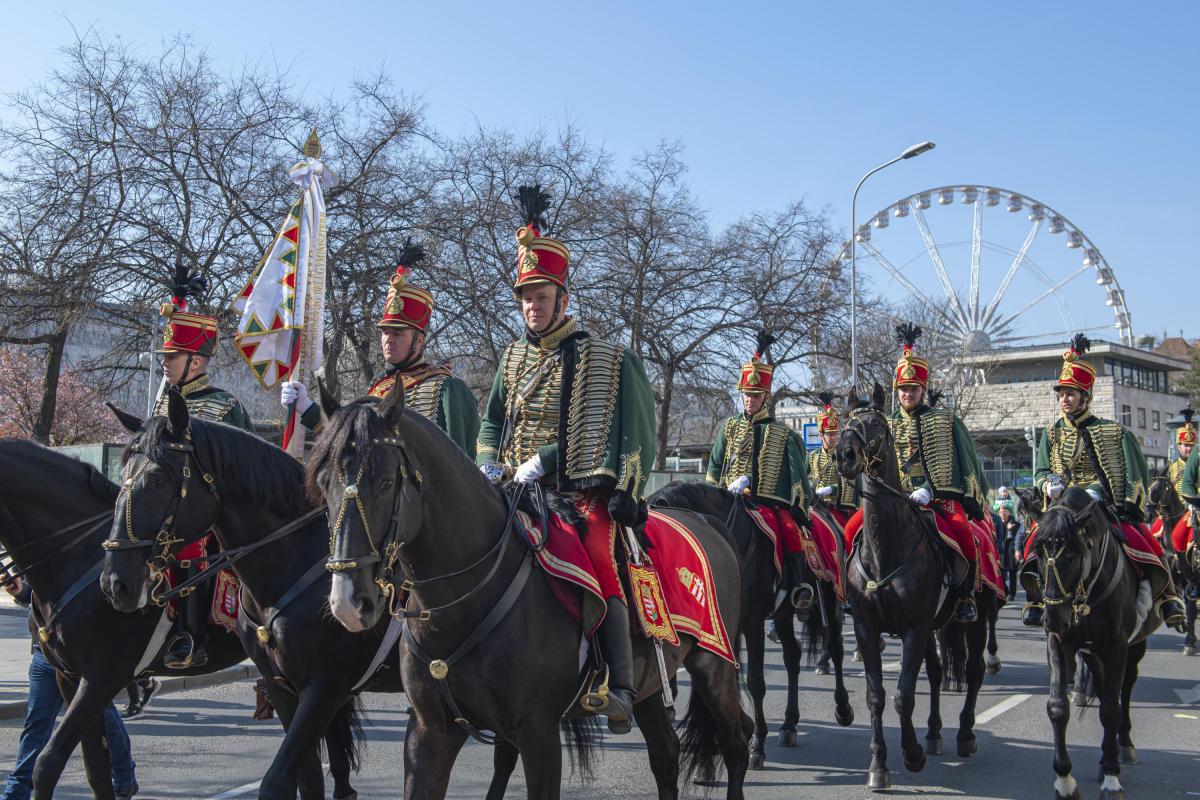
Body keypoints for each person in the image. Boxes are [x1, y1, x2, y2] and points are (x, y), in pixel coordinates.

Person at [476, 185, 657, 735]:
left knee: (600, 561)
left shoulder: (600, 355)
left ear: (562, 296)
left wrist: (543, 460)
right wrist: (488, 460)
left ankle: (619, 685)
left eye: (542, 294)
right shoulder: (510, 357)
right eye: (526, 295)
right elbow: (491, 420)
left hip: (573, 490)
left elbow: (621, 428)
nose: (533, 304)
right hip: (511, 487)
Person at [1023, 333, 1187, 629]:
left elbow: (1134, 472)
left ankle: (1168, 596)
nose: (1065, 399)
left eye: (1070, 394)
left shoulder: (1113, 432)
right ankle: (1036, 598)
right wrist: (1047, 484)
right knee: (1032, 544)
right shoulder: (1050, 433)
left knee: (1143, 540)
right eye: (1061, 394)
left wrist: (1100, 495)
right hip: (1060, 508)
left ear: (1085, 397)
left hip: (1101, 505)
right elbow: (1041, 470)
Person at [842, 324, 990, 623]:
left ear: (922, 389)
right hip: (894, 499)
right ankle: (851, 591)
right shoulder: (885, 423)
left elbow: (968, 463)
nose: (907, 394)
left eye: (912, 389)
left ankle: (964, 596)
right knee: (848, 531)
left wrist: (933, 490)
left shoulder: (946, 421)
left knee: (962, 534)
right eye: (902, 389)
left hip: (937, 499)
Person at [282, 241, 479, 455]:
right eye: (385, 332)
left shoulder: (447, 389)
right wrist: (307, 407)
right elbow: (349, 441)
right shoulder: (378, 389)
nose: (388, 339)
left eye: (398, 333)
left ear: (419, 341)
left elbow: (461, 461)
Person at [154, 266, 255, 669]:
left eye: (172, 356)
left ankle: (191, 638)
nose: (164, 363)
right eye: (164, 356)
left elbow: (243, 472)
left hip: (210, 519)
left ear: (195, 361)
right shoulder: (164, 403)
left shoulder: (223, 406)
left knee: (191, 544)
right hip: (163, 509)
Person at [1, 578, 138, 800]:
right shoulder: (39, 560)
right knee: (36, 725)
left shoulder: (79, 555)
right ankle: (16, 791)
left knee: (105, 721)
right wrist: (22, 590)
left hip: (79, 659)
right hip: (44, 655)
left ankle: (124, 778)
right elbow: (38, 599)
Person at [807, 391, 859, 531]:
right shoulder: (812, 456)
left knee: (847, 533)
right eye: (830, 434)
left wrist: (832, 489)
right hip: (816, 506)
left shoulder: (844, 455)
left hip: (837, 507)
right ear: (820, 435)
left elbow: (851, 483)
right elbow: (801, 477)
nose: (834, 437)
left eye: (835, 433)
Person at [1176, 413, 1200, 599]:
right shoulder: (1197, 452)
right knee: (1177, 537)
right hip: (1197, 506)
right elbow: (1187, 482)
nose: (1187, 448)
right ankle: (1193, 581)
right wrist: (1192, 502)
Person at [995, 505, 1022, 600]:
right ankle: (1005, 591)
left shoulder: (1016, 524)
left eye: (1005, 511)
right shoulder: (996, 523)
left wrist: (1018, 550)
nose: (1003, 513)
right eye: (1001, 512)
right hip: (1000, 551)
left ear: (1009, 512)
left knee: (1012, 572)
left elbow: (1019, 537)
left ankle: (1012, 594)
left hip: (1011, 550)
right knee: (1000, 571)